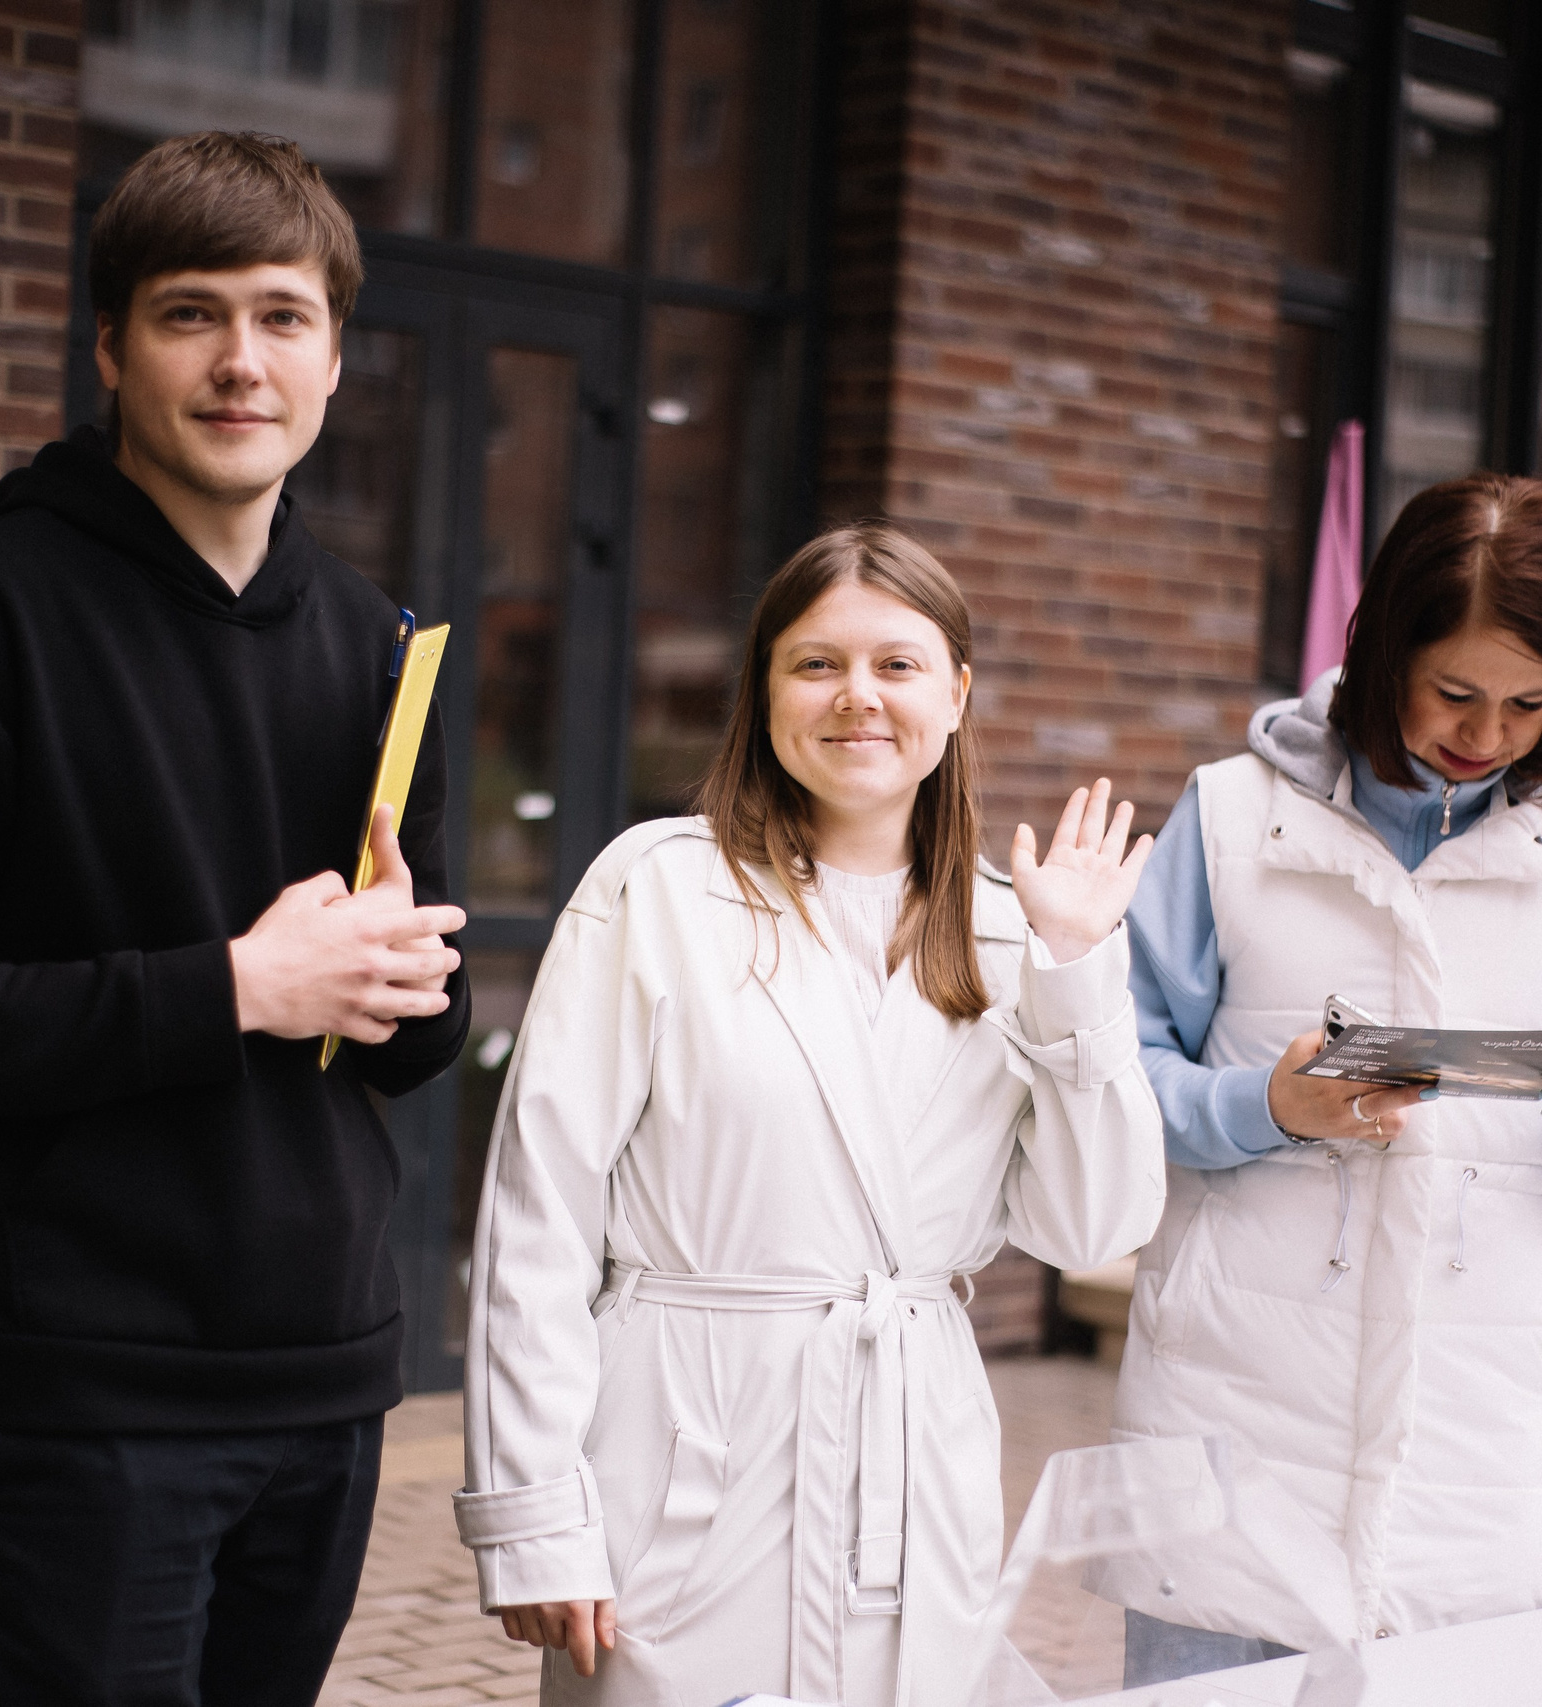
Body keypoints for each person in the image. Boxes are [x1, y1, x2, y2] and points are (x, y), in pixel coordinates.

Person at [0, 132, 470, 1707]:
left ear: (336, 359)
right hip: (77, 1401)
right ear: (110, 347)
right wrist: (233, 983)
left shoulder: (383, 642)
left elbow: (401, 1048)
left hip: (327, 1380)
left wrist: (403, 981)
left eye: (284, 317)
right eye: (191, 313)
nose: (243, 360)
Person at [453, 524, 1168, 1706]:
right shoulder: (657, 887)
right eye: (815, 663)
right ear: (766, 690)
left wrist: (1076, 967)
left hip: (912, 1465)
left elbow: (1090, 1232)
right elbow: (538, 1220)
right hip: (683, 1454)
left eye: (896, 664)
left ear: (956, 692)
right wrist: (534, 1515)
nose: (858, 699)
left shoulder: (1016, 928)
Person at [1111, 473, 1542, 1676]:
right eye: (1454, 690)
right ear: (1384, 646)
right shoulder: (1230, 817)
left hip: (1484, 1436)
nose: (1484, 735)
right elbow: (1114, 1080)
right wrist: (1264, 1108)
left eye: (1528, 703)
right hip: (1238, 1412)